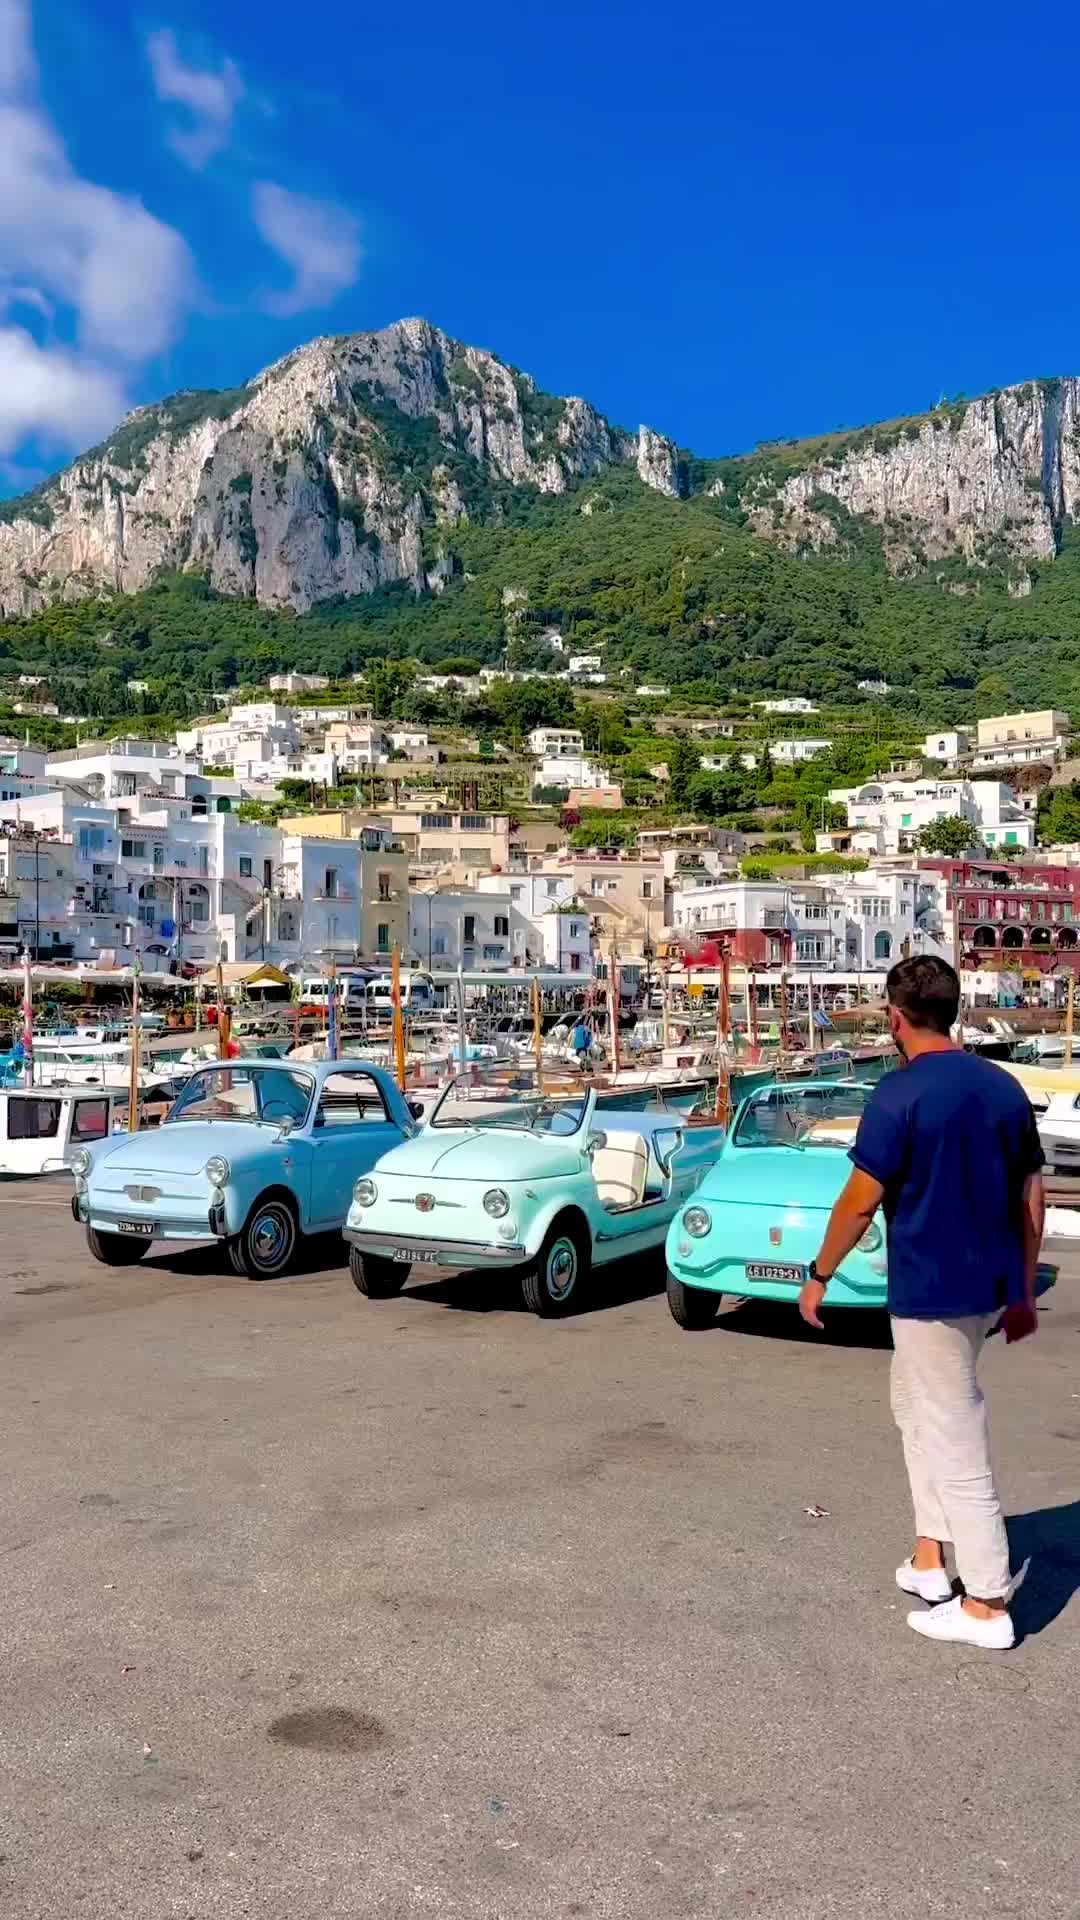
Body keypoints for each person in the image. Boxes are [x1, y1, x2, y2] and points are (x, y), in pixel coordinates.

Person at [799, 955, 1045, 1651]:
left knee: (955, 1434)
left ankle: (988, 1603)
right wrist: (1023, 1292)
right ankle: (932, 1559)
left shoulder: (897, 1096)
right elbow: (1033, 1198)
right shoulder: (1002, 1088)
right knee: (917, 1413)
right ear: (954, 1009)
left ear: (896, 1016)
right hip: (980, 1294)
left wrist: (819, 1274)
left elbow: (858, 1202)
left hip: (929, 1294)